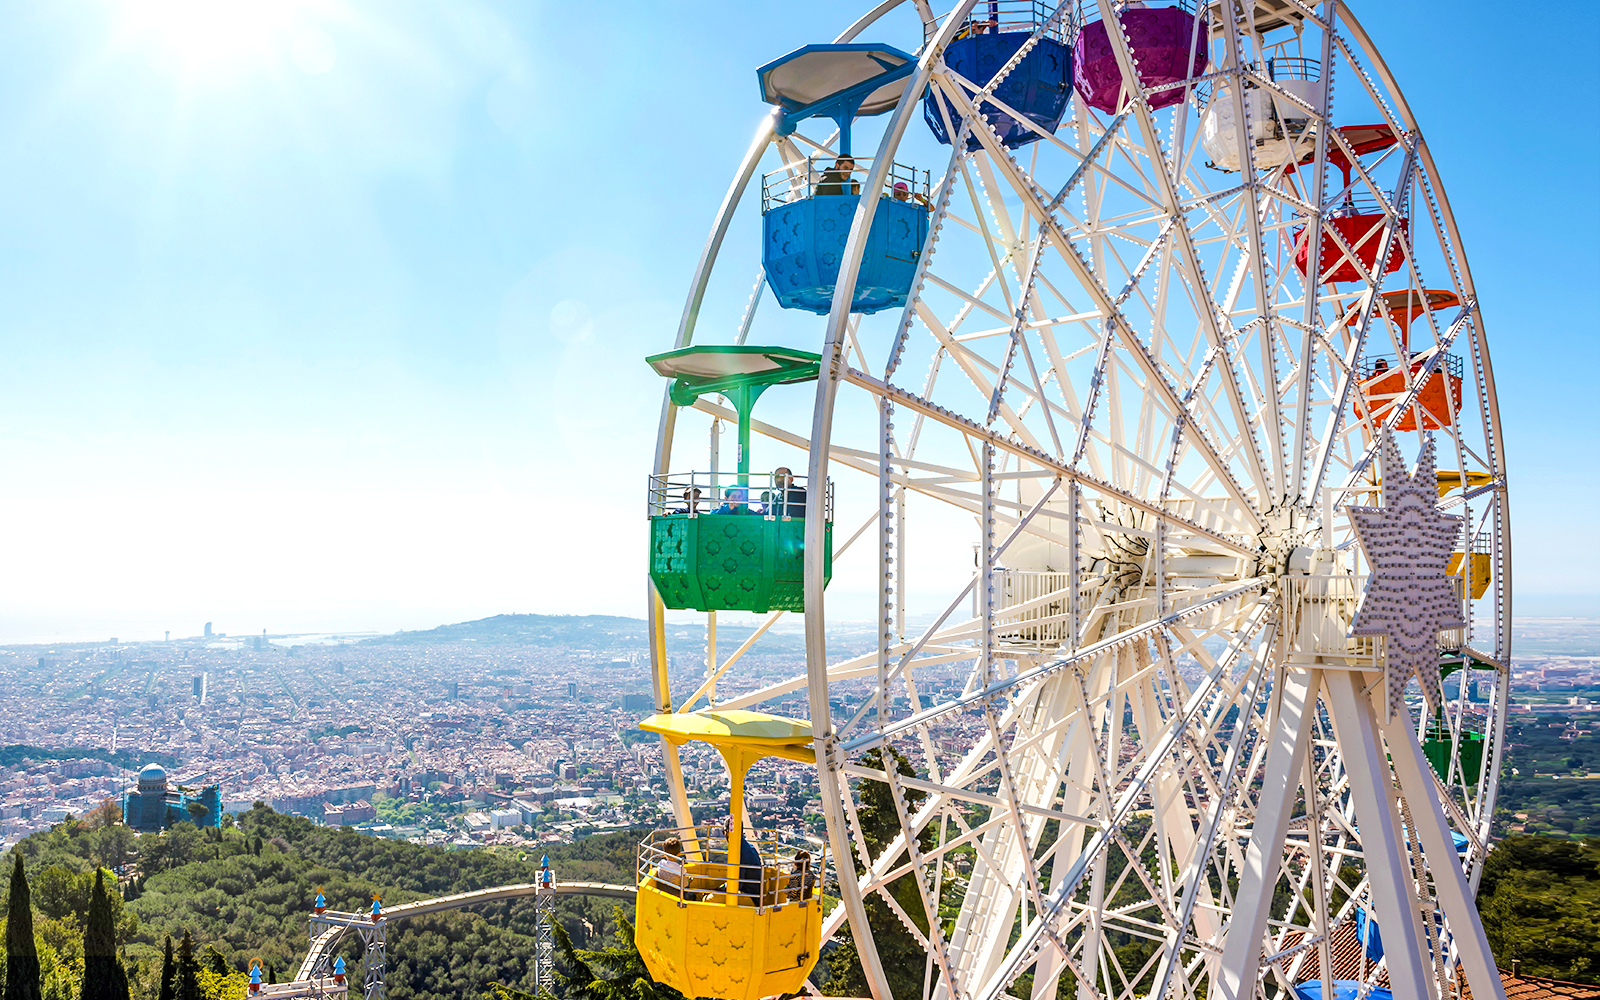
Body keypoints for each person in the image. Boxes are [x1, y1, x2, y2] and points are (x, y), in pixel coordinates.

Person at [724, 813, 762, 902]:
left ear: (728, 832)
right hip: (756, 894)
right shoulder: (749, 847)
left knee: (709, 899)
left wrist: (720, 889)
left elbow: (737, 884)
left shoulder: (738, 852)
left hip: (749, 897)